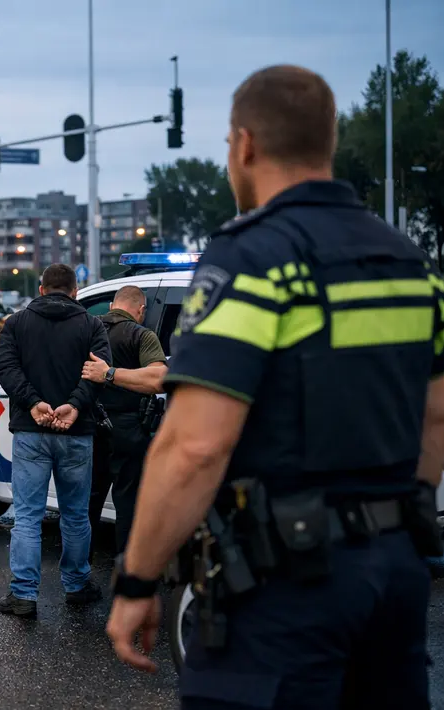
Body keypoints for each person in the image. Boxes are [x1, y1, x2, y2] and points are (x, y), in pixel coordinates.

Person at [105, 64, 444, 709]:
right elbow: (436, 419)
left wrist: (138, 579)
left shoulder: (255, 259)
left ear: (245, 145)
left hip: (283, 587)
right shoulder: (410, 263)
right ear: (328, 142)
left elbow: (195, 446)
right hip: (395, 576)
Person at [0, 264, 112, 617]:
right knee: (75, 515)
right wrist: (74, 406)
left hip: (31, 433)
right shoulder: (92, 325)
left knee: (28, 517)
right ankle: (77, 585)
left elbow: (5, 367)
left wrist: (33, 403)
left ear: (42, 289)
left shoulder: (17, 323)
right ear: (75, 291)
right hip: (77, 433)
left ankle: (24, 595)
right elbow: (100, 371)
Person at [83, 285, 168, 555]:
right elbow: (159, 378)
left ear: (111, 306)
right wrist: (111, 374)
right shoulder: (141, 335)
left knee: (85, 504)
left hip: (88, 426)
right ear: (141, 310)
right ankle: (126, 567)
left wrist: (106, 373)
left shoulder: (87, 331)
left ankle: (77, 571)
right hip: (128, 430)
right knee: (128, 504)